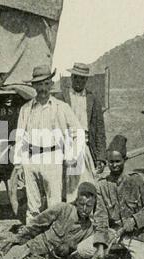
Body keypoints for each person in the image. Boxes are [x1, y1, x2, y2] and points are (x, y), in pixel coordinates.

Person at [78, 135, 144, 259]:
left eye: (117, 161)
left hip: (137, 236)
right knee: (82, 250)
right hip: (113, 234)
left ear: (125, 160)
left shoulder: (137, 181)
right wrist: (101, 246)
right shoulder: (102, 185)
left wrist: (135, 221)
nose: (114, 165)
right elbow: (101, 218)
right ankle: (117, 254)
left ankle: (130, 254)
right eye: (111, 162)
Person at [13, 64, 85, 222]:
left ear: (51, 84)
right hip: (31, 159)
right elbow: (20, 136)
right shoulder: (26, 109)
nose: (43, 88)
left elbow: (78, 132)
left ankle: (55, 237)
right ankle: (32, 237)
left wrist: (71, 156)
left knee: (54, 203)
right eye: (39, 84)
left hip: (53, 157)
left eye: (46, 83)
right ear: (33, 86)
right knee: (33, 205)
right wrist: (19, 164)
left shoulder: (61, 107)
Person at [0, 182, 99, 259]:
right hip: (32, 246)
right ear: (76, 201)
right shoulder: (64, 209)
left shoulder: (88, 230)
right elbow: (37, 224)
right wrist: (16, 240)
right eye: (81, 204)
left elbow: (79, 252)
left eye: (89, 206)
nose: (84, 209)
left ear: (94, 206)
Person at [56, 62, 107, 202]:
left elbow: (99, 129)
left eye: (83, 78)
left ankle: (85, 214)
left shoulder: (92, 99)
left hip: (84, 147)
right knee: (66, 185)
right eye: (77, 77)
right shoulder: (61, 98)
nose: (79, 81)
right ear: (72, 77)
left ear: (87, 80)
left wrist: (101, 156)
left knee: (87, 182)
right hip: (66, 146)